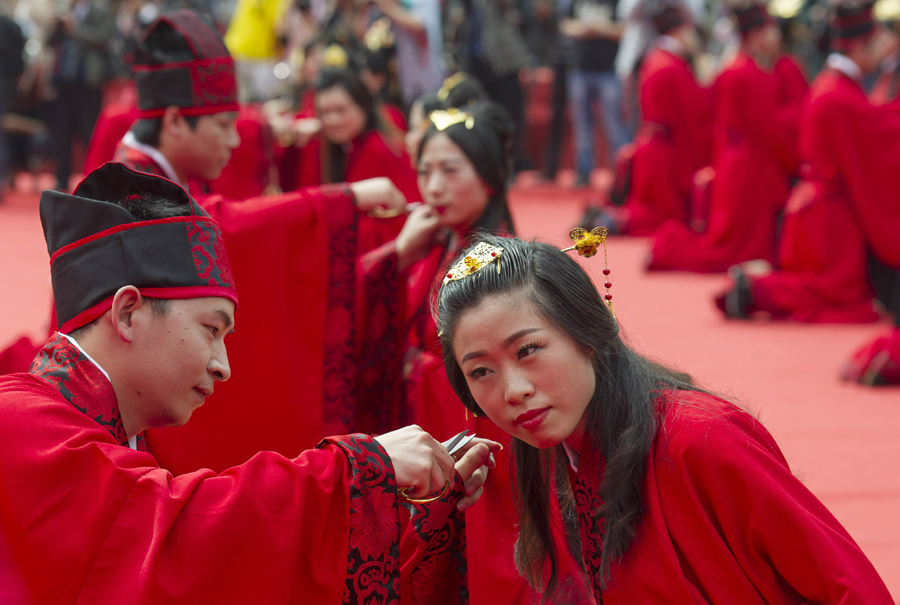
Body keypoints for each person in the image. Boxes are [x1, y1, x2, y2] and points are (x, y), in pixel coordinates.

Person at [0, 162, 500, 604]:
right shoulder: (19, 423)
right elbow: (177, 536)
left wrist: (396, 512)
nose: (224, 366)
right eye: (211, 330)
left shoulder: (99, 431)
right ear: (128, 312)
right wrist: (361, 470)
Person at [435, 233, 894, 602]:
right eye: (481, 371)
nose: (513, 390)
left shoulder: (701, 438)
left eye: (528, 350)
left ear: (587, 332)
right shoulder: (550, 452)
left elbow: (848, 586)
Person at [357, 102, 593, 605]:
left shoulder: (496, 273)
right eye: (424, 171)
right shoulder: (436, 248)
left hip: (496, 445)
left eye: (449, 170)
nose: (433, 186)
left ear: (488, 179)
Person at [716, 0, 897, 326]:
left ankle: (756, 287)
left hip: (809, 209)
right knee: (837, 298)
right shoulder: (838, 94)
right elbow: (876, 145)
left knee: (830, 293)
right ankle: (756, 290)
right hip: (827, 217)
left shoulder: (829, 84)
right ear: (859, 46)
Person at [648, 0, 806, 272]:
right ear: (756, 34)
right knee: (734, 251)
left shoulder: (739, 68)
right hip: (750, 168)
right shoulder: (748, 73)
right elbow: (770, 130)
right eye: (770, 30)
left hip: (738, 163)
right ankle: (669, 247)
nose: (776, 36)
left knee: (732, 245)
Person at [590, 2, 713, 236]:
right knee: (665, 217)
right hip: (665, 153)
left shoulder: (654, 59)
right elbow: (692, 114)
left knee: (653, 210)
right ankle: (611, 221)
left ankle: (610, 217)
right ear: (680, 31)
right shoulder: (673, 66)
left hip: (649, 146)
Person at [560, 0, 631, 185]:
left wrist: (600, 29)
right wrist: (584, 29)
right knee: (581, 125)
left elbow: (626, 29)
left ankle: (624, 172)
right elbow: (564, 24)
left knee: (614, 125)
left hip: (609, 69)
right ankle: (583, 172)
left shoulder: (616, 2)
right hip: (579, 68)